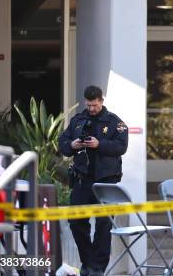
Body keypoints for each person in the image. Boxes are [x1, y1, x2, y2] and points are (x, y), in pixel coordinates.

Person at [59, 86, 128, 276]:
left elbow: (122, 146)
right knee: (76, 221)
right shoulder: (78, 120)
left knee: (104, 225)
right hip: (83, 179)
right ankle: (88, 262)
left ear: (101, 100)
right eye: (89, 105)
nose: (91, 109)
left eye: (95, 105)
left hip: (106, 181)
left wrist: (100, 144)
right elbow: (63, 144)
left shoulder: (115, 122)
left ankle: (97, 268)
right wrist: (73, 145)